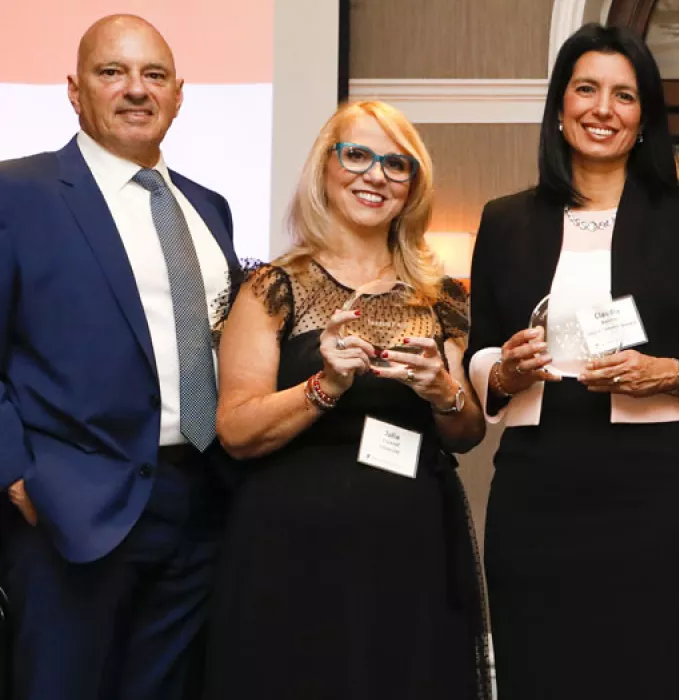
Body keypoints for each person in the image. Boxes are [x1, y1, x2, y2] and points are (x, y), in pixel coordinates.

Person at [465, 24, 679, 699]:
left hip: (658, 490)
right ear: (559, 107)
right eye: (586, 89)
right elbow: (481, 351)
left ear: (644, 120)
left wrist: (666, 373)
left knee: (654, 667)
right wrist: (505, 371)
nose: (602, 109)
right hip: (538, 487)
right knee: (543, 666)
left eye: (624, 95)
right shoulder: (504, 219)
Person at [202, 100, 488, 699]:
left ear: (413, 186)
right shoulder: (271, 287)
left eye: (396, 164)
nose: (375, 174)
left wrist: (444, 392)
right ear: (325, 170)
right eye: (356, 154)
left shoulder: (439, 299)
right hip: (293, 553)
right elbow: (235, 429)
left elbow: (466, 432)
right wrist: (323, 387)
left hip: (411, 551)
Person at [0, 15, 239, 699]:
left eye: (153, 75)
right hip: (70, 512)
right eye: (113, 72)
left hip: (202, 503)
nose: (136, 89)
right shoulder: (17, 194)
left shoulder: (208, 207)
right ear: (76, 91)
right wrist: (16, 476)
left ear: (179, 94)